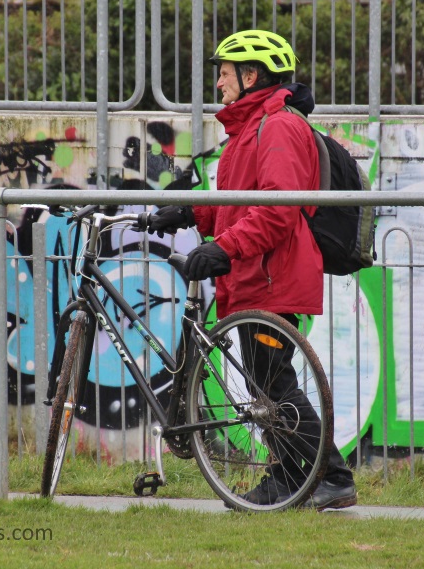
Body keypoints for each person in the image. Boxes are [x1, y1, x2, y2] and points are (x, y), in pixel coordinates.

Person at [147, 29, 357, 510]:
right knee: (267, 388)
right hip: (257, 275)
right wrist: (191, 213)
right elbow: (239, 203)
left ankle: (333, 476)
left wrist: (224, 249)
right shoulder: (249, 129)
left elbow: (279, 210)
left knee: (275, 385)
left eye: (224, 74)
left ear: (251, 75)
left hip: (272, 276)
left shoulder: (278, 127)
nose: (218, 83)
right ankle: (289, 478)